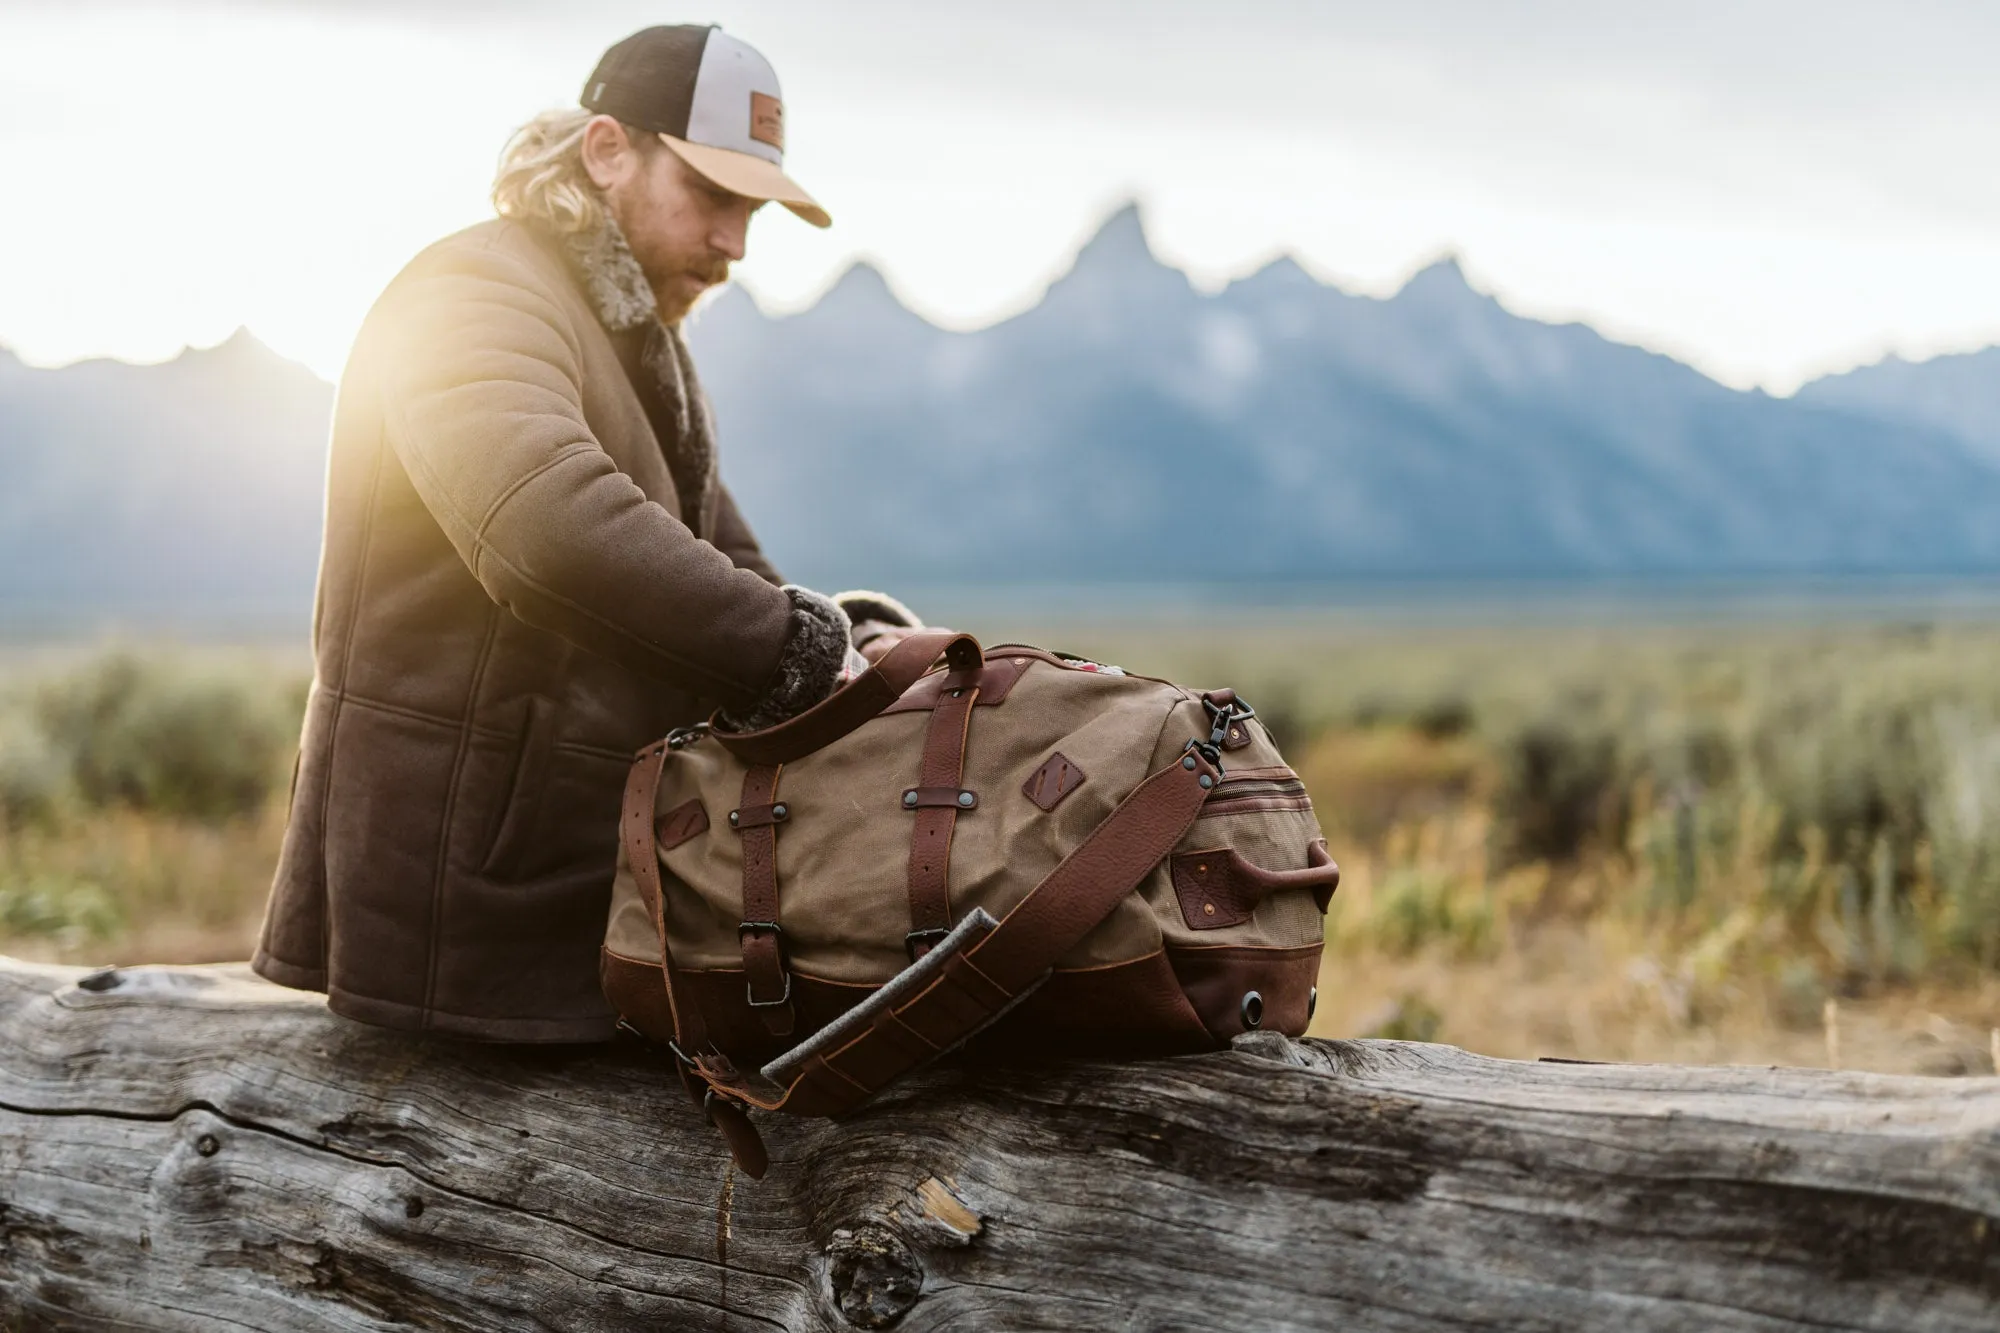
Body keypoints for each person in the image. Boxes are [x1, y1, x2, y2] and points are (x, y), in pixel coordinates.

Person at [253, 24, 923, 1041]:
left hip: (558, 887)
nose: (735, 245)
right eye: (713, 196)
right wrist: (792, 647)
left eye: (750, 211)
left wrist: (852, 644)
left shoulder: (621, 336)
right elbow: (544, 521)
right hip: (458, 905)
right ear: (608, 150)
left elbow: (718, 553)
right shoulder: (470, 292)